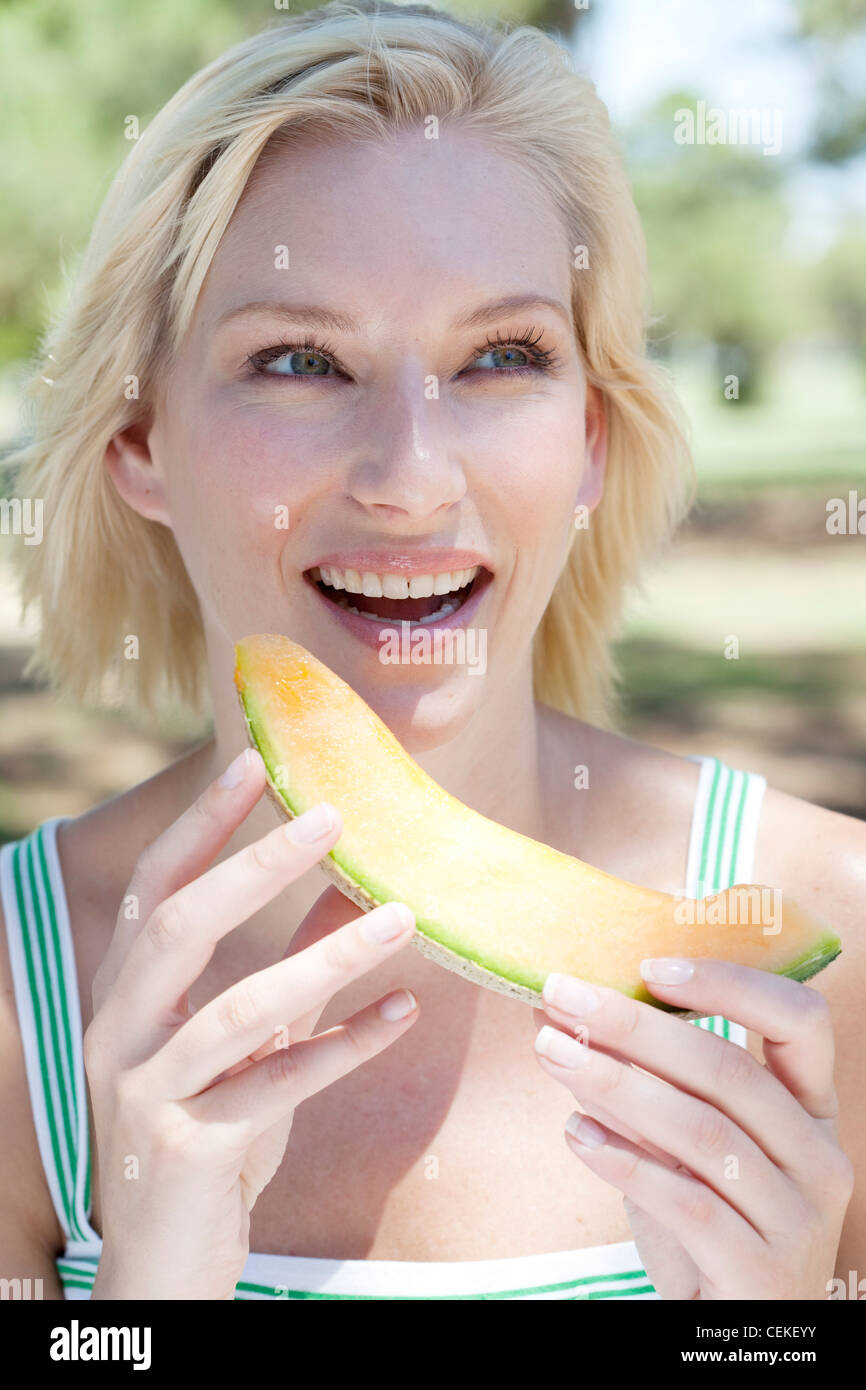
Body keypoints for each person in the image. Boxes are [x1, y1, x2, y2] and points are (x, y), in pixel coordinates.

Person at [1, 0, 862, 1301]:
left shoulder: (831, 930)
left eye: (500, 356)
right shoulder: (21, 1000)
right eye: (297, 359)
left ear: (589, 438)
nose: (408, 477)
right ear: (139, 445)